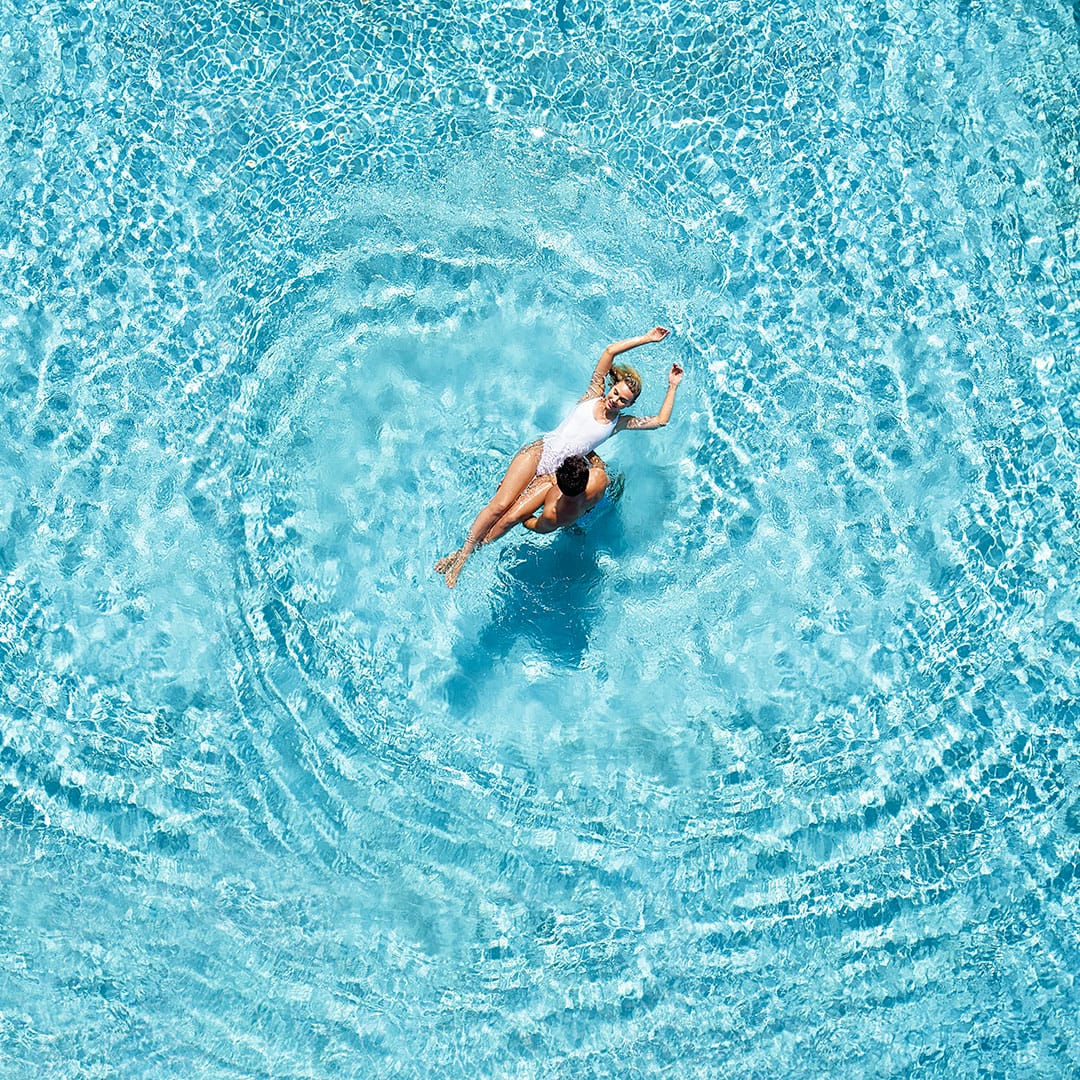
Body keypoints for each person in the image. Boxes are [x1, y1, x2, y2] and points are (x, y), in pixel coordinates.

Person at [435, 326, 683, 587]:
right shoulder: (592, 395)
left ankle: (467, 556)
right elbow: (609, 351)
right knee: (499, 505)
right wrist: (647, 339)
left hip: (554, 477)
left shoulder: (618, 424)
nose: (615, 400)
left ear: (629, 405)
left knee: (510, 519)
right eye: (616, 393)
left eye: (623, 400)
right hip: (539, 452)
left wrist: (672, 386)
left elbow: (660, 421)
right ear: (611, 387)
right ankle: (462, 553)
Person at [435, 453, 609, 571]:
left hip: (568, 515)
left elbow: (534, 526)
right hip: (590, 506)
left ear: (558, 481)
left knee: (510, 519)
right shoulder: (599, 477)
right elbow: (598, 462)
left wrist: (520, 505)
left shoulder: (554, 513)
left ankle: (464, 554)